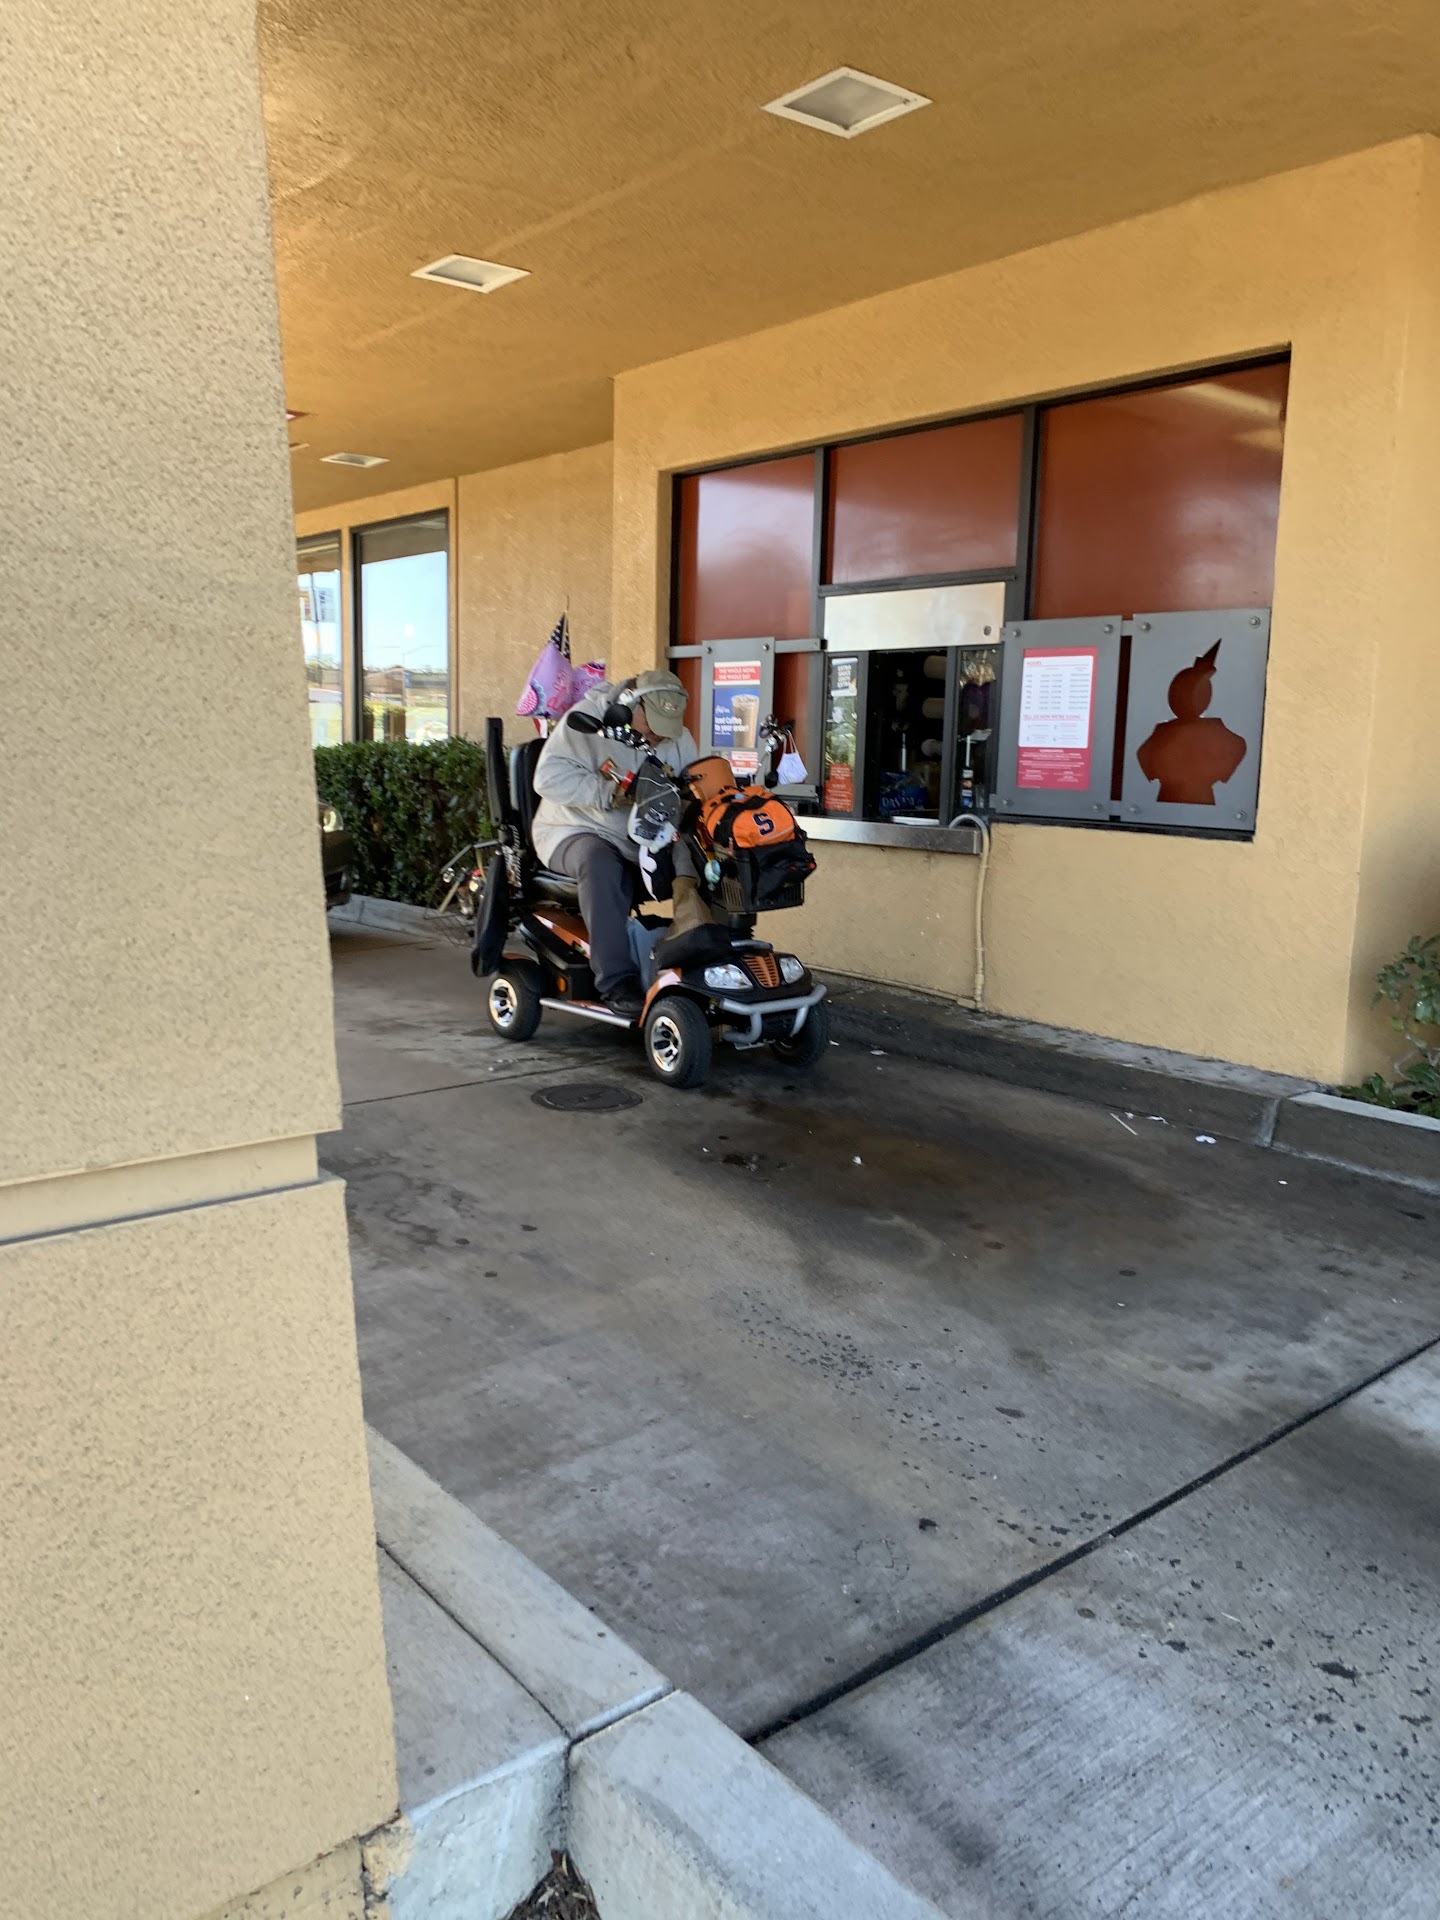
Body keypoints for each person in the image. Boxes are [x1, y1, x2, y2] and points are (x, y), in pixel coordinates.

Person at [531, 669, 706, 1016]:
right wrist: (611, 792)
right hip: (574, 829)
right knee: (599, 862)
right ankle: (615, 981)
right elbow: (547, 778)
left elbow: (691, 788)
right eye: (651, 725)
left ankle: (705, 960)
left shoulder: (679, 738)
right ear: (629, 705)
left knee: (706, 860)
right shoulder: (589, 720)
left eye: (666, 729)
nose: (658, 736)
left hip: (644, 838)